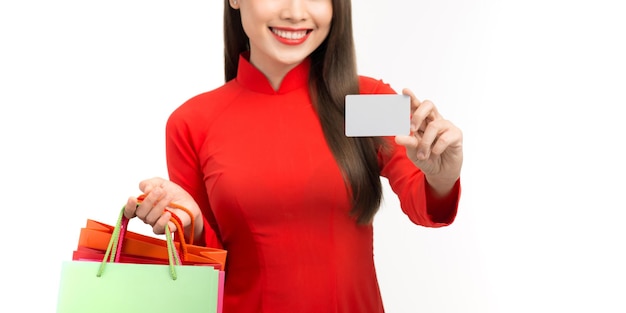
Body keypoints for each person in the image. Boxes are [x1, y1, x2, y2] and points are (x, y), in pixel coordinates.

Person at [124, 0, 463, 312]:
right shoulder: (192, 123)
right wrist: (191, 224)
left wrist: (441, 175)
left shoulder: (363, 102)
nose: (296, 12)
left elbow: (424, 203)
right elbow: (206, 270)